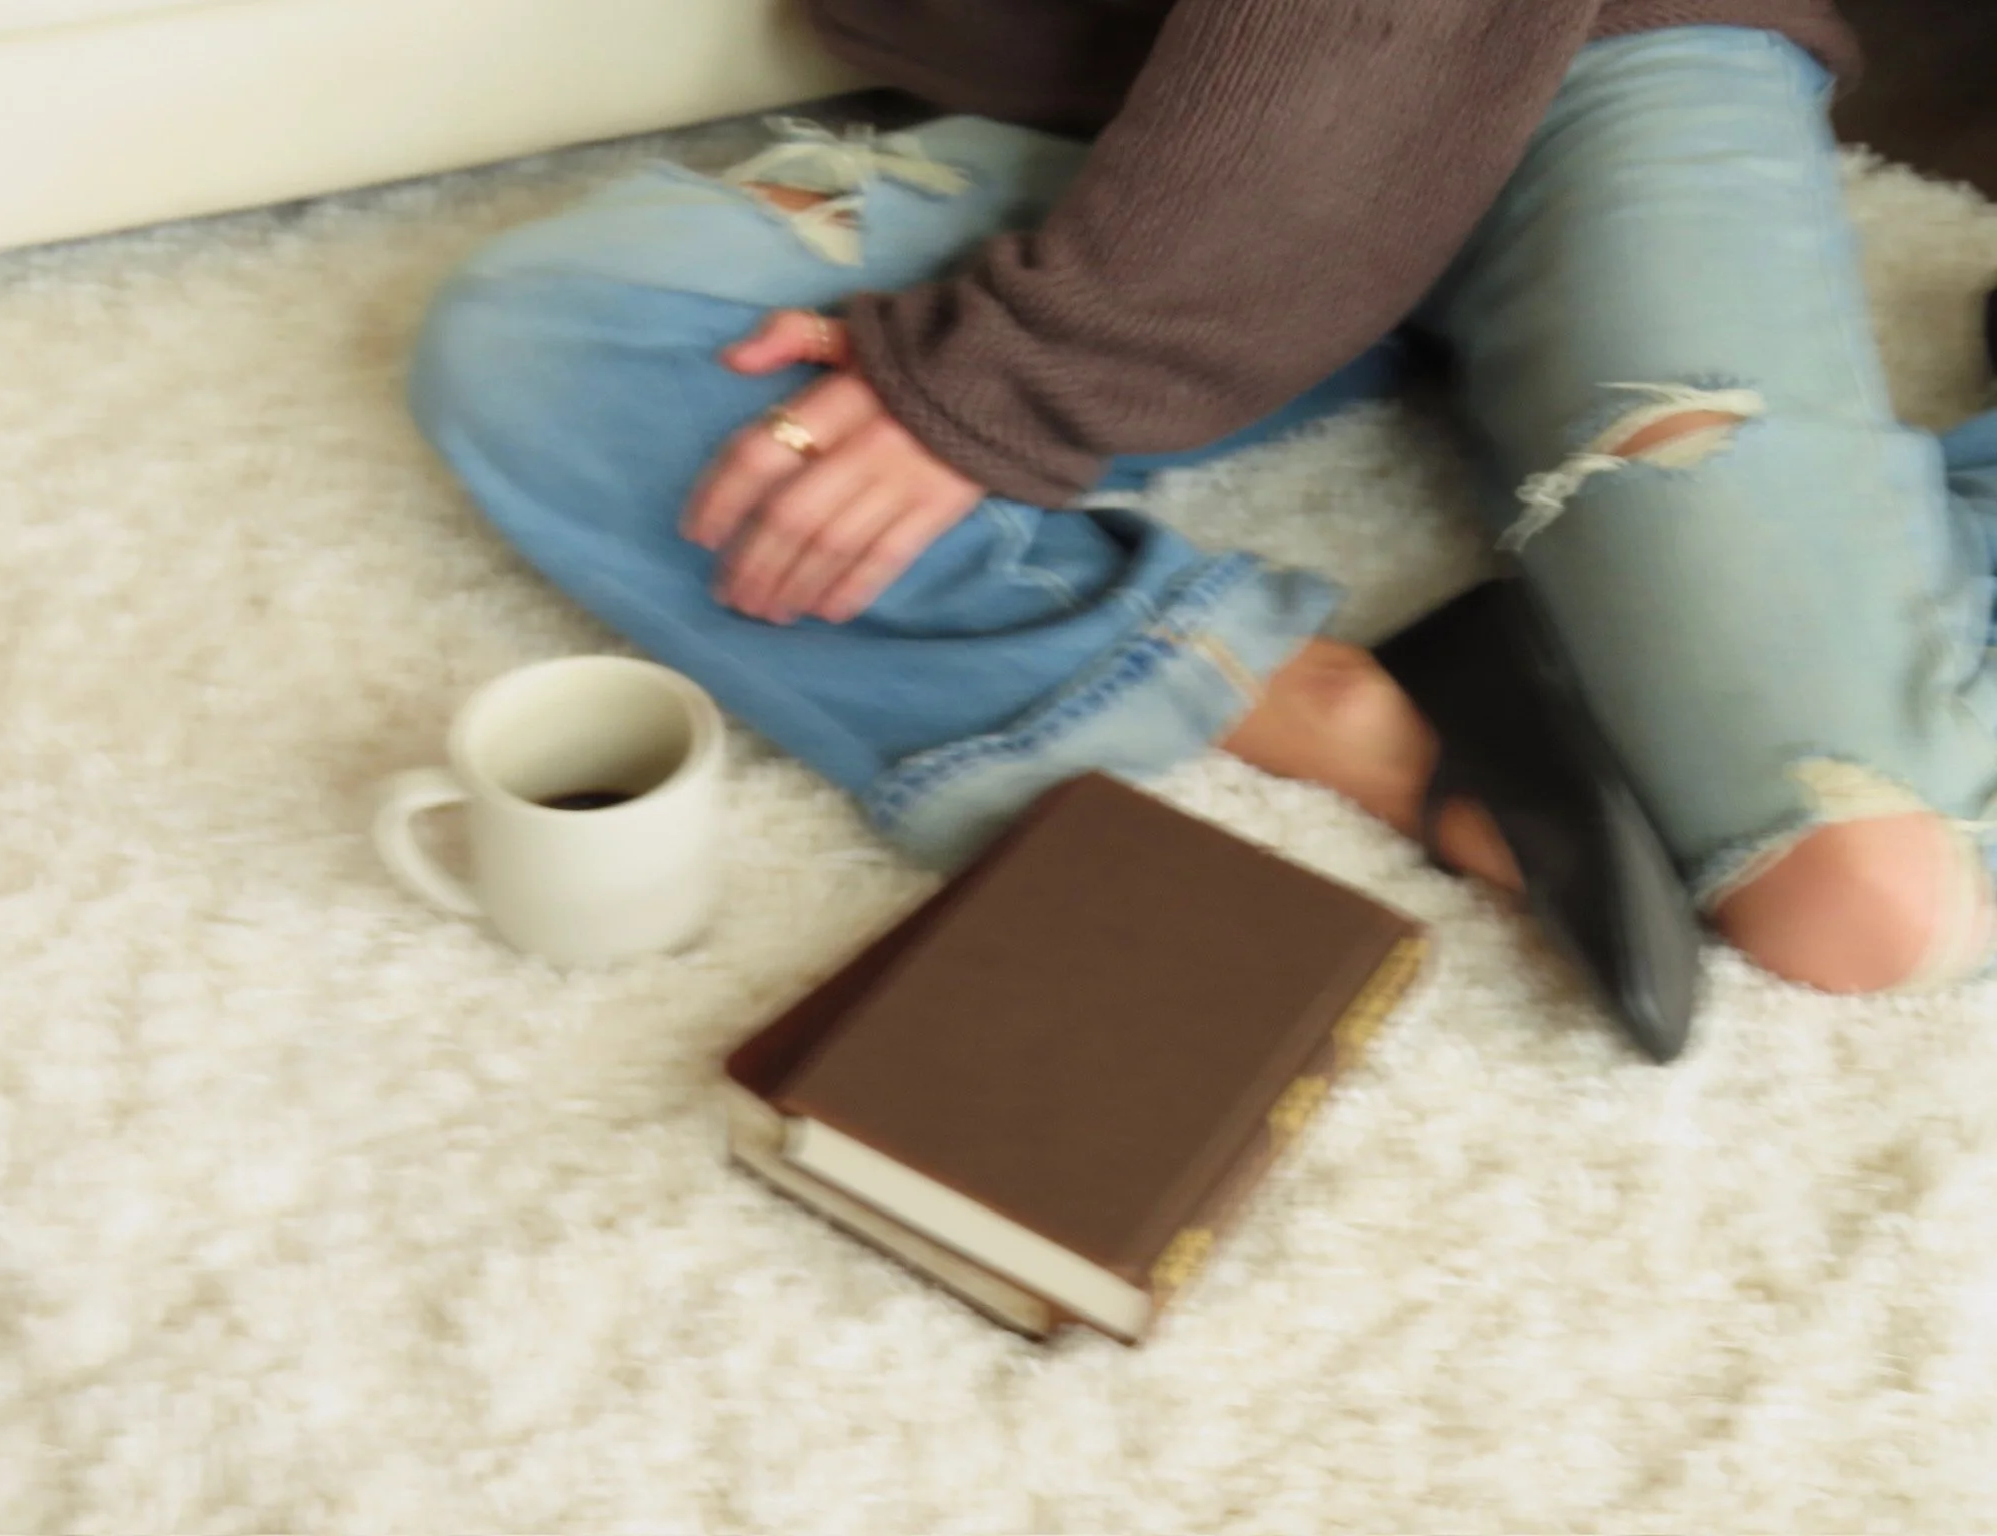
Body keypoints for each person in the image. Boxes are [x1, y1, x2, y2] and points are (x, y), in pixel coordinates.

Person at [408, 0, 1997, 1008]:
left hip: (1598, 64)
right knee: (559, 342)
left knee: (1858, 898)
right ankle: (1310, 701)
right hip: (1141, 115)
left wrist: (1030, 374)